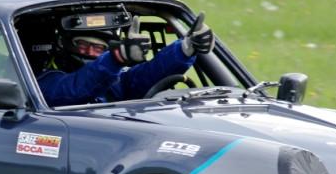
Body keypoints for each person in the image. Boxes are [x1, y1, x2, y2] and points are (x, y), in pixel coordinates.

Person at [36, 13, 215, 107]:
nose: (90, 52)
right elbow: (75, 89)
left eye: (99, 49)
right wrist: (116, 57)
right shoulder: (45, 82)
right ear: (64, 44)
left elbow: (142, 78)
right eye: (82, 44)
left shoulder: (114, 79)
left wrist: (185, 49)